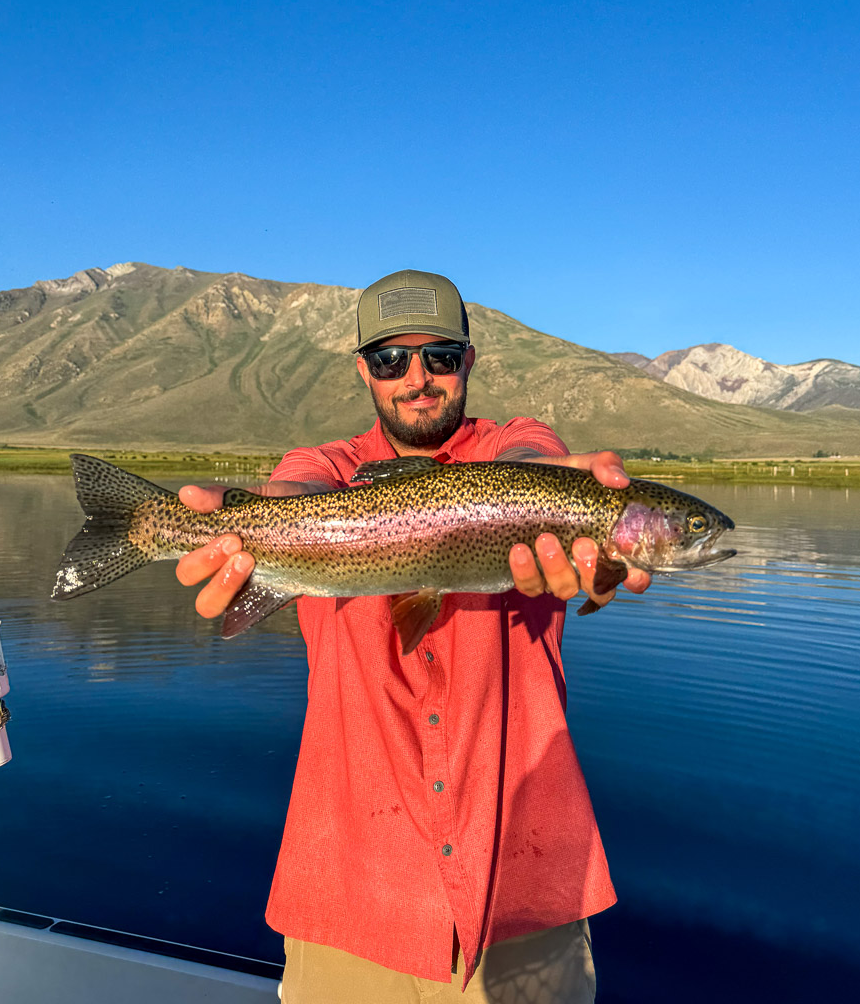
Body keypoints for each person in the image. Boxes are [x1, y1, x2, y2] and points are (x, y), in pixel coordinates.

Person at [176, 270, 651, 1003]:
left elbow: (532, 461)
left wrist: (554, 493)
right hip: (351, 900)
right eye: (393, 360)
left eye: (440, 356)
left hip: (525, 898)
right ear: (364, 368)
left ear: (468, 361)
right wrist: (250, 521)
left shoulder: (517, 450)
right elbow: (294, 492)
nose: (418, 378)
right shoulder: (328, 468)